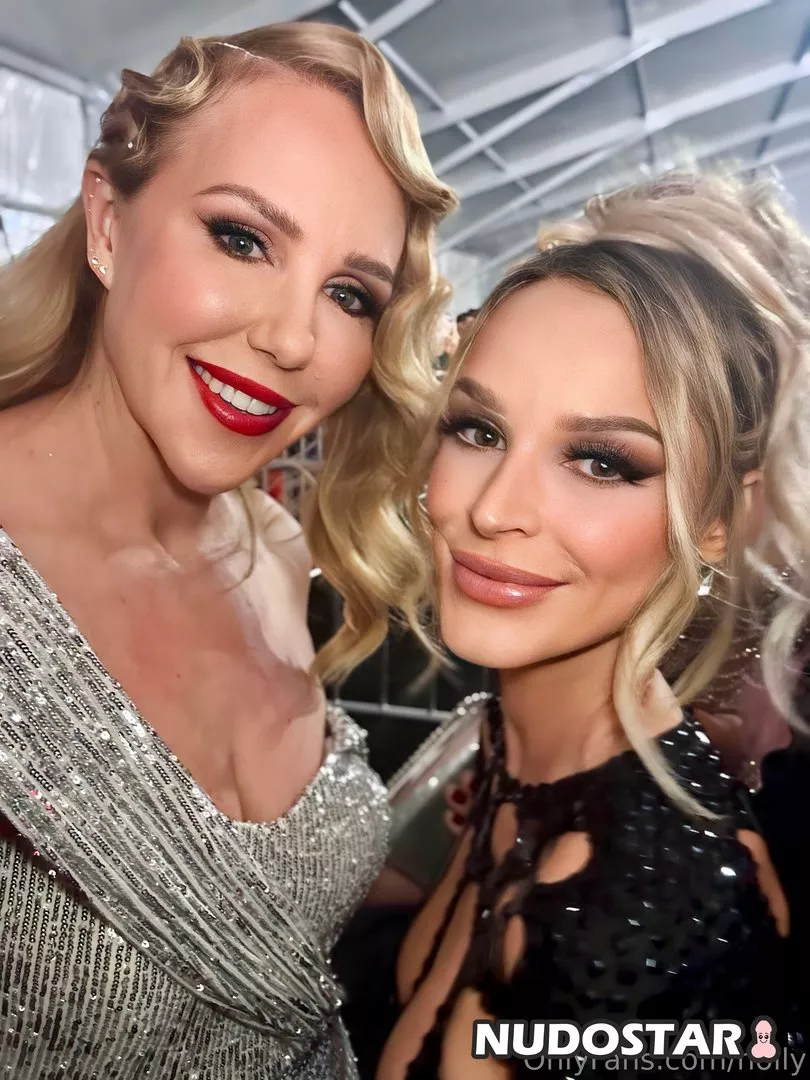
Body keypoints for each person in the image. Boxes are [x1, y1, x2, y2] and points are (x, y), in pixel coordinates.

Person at [0, 21, 455, 1079]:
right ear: (108, 220)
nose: (294, 341)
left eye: (349, 295)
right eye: (243, 239)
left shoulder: (275, 548)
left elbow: (259, 921)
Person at [378, 172, 809, 1079]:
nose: (495, 510)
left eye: (603, 462)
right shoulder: (526, 757)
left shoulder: (655, 909)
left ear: (722, 516)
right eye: (479, 430)